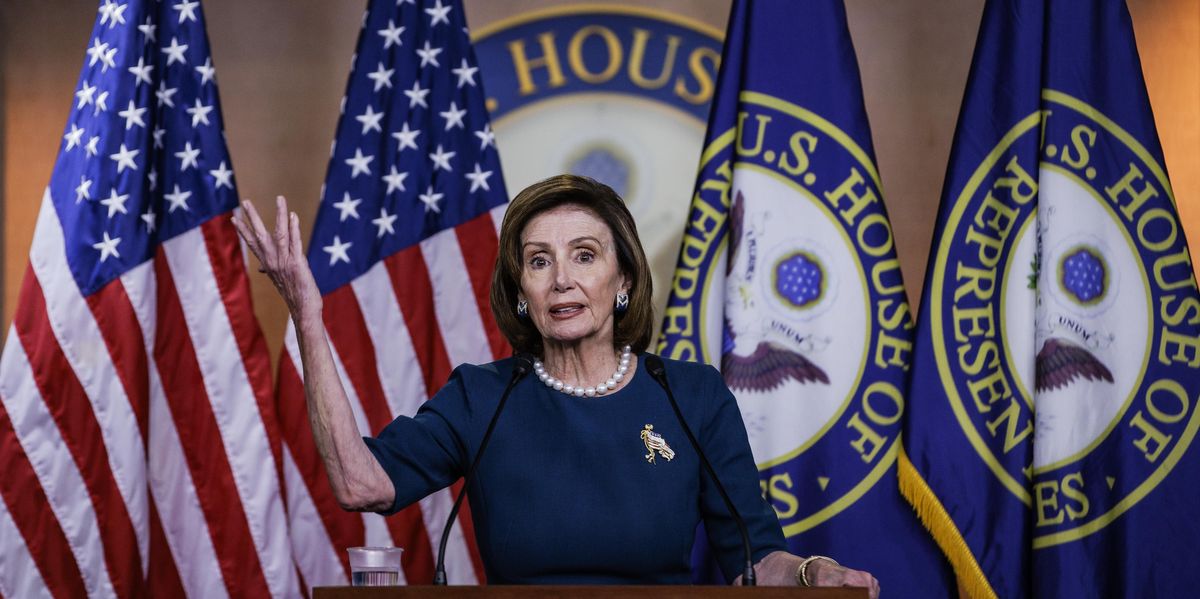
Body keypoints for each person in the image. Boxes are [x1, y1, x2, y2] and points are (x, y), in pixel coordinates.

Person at [233, 174, 880, 595]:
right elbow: (359, 483)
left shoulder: (693, 395)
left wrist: (806, 572)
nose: (561, 279)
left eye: (585, 255)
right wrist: (307, 317)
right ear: (521, 293)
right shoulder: (481, 397)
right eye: (538, 261)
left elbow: (754, 560)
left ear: (623, 280)